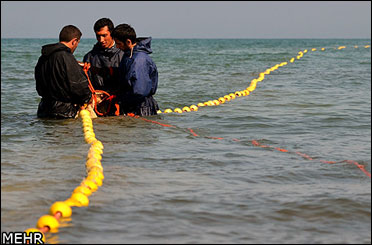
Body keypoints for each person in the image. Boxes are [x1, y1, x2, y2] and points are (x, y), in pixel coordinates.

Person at [35, 25, 92, 119]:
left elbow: (39, 86)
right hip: (64, 111)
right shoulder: (66, 57)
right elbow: (79, 86)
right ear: (74, 41)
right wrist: (87, 98)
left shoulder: (43, 57)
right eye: (77, 43)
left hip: (44, 109)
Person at [110, 23, 159, 116]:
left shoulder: (139, 60)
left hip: (141, 107)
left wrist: (120, 100)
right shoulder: (129, 55)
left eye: (119, 43)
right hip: (132, 104)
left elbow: (140, 90)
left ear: (128, 42)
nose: (117, 47)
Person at [83, 18, 124, 94]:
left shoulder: (124, 55)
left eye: (104, 35)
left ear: (112, 34)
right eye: (98, 36)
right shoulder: (89, 57)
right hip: (98, 101)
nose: (101, 40)